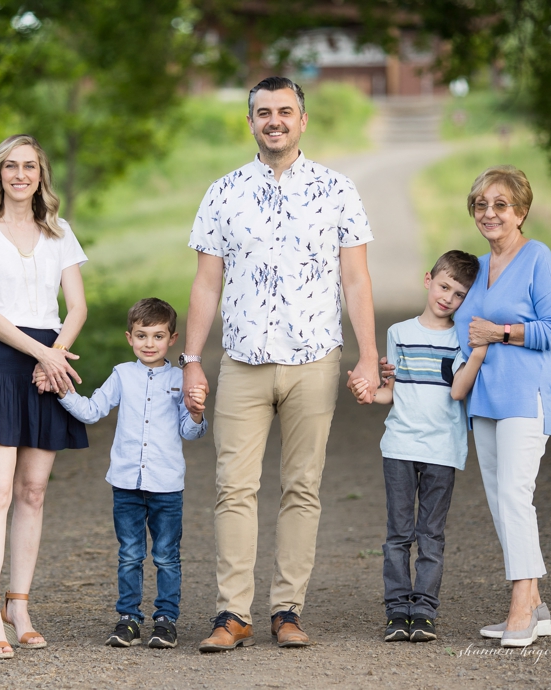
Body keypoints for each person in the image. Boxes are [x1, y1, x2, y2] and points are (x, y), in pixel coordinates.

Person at [181, 76, 379, 652]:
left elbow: (356, 277)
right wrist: (192, 361)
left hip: (315, 357)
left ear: (303, 119)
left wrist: (368, 355)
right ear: (250, 122)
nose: (275, 121)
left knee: (302, 487)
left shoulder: (338, 190)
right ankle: (231, 614)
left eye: (285, 111)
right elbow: (206, 283)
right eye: (263, 112)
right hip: (242, 361)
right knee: (232, 488)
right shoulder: (223, 193)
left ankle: (287, 609)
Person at [0, 134, 89, 659]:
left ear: (41, 174)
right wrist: (43, 354)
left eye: (30, 166)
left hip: (47, 364)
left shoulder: (60, 232)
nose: (20, 174)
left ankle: (19, 605)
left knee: (33, 491)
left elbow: (76, 307)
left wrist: (56, 355)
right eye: (11, 166)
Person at [452, 165, 551, 649]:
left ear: (520, 211)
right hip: (485, 399)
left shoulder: (538, 258)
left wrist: (501, 333)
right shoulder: (478, 269)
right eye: (481, 204)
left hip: (527, 396)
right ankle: (536, 605)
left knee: (515, 497)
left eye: (500, 204)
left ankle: (520, 607)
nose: (489, 213)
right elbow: (459, 330)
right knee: (502, 502)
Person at [45, 298, 209, 649]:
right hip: (126, 483)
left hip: (166, 485)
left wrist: (195, 413)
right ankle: (129, 619)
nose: (149, 344)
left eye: (158, 336)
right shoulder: (122, 374)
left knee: (166, 555)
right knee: (130, 553)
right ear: (129, 338)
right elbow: (92, 411)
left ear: (172, 339)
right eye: (141, 335)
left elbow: (191, 433)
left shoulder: (182, 380)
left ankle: (165, 620)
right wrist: (63, 391)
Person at [346, 251, 480, 643]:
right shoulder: (400, 333)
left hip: (442, 448)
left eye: (458, 295)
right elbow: (392, 393)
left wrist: (480, 352)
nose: (447, 298)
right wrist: (368, 391)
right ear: (428, 280)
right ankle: (396, 611)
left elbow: (457, 390)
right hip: (401, 446)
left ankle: (423, 612)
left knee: (431, 535)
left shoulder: (463, 339)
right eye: (443, 287)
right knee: (398, 534)